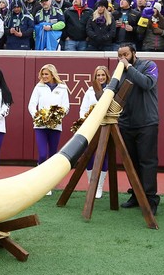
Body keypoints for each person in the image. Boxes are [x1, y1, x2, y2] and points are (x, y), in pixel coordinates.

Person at [116, 44, 160, 214]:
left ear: (134, 53)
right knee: (131, 163)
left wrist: (129, 67)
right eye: (119, 55)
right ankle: (136, 195)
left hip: (147, 123)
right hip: (126, 123)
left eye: (125, 54)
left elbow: (147, 83)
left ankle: (150, 200)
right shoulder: (119, 71)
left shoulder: (149, 65)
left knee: (147, 163)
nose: (122, 58)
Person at [28, 63, 70, 194]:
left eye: (47, 74)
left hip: (55, 125)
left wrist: (58, 116)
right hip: (40, 125)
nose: (44, 76)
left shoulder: (63, 88)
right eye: (42, 74)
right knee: (41, 154)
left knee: (52, 155)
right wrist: (37, 116)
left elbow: (66, 107)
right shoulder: (38, 87)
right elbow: (31, 105)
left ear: (53, 74)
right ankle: (41, 181)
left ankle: (49, 183)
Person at [80, 66, 111, 198]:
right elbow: (83, 109)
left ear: (107, 76)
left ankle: (99, 187)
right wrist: (84, 121)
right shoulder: (89, 91)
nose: (100, 78)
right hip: (91, 128)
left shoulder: (111, 90)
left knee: (103, 157)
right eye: (98, 75)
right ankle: (91, 184)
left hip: (106, 127)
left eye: (103, 75)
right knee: (90, 157)